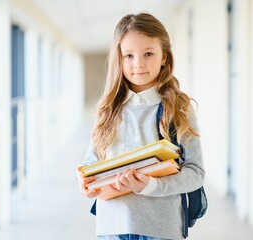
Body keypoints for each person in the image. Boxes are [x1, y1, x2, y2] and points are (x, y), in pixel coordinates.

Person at [76, 12, 204, 240]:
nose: (138, 64)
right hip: (111, 227)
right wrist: (85, 180)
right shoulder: (107, 108)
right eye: (129, 55)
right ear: (119, 58)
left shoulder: (179, 107)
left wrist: (151, 185)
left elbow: (195, 173)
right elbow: (91, 160)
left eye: (148, 53)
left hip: (161, 228)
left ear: (164, 57)